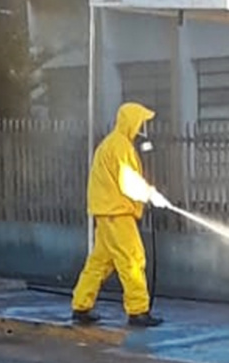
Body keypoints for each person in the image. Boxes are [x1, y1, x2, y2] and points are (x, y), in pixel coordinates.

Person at [71, 102, 171, 327]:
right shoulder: (120, 146)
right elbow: (128, 182)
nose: (143, 127)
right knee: (132, 259)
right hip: (117, 213)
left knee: (100, 262)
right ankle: (138, 311)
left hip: (106, 213)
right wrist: (150, 194)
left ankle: (81, 305)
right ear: (132, 121)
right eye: (141, 122)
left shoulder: (110, 144)